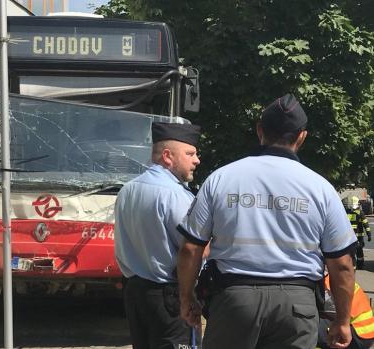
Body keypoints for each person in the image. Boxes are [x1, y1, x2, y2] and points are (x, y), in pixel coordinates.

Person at [177, 93, 357, 349]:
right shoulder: (321, 189)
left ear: (260, 130)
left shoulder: (221, 179)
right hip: (297, 308)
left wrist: (187, 299)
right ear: (302, 136)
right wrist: (342, 320)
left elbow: (190, 248)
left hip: (234, 302)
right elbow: (341, 264)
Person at [114, 121, 202, 349]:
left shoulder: (127, 190)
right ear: (167, 156)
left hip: (135, 293)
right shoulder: (175, 194)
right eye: (190, 153)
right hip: (170, 296)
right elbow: (192, 249)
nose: (196, 160)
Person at [317, 272, 374, 349]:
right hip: (366, 332)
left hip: (357, 334)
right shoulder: (336, 279)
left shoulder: (326, 286)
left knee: (307, 324)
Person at [343, 195, 371, 269]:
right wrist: (369, 234)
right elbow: (366, 224)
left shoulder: (346, 213)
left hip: (349, 236)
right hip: (359, 236)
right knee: (359, 251)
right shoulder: (360, 213)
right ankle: (360, 265)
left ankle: (352, 265)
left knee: (350, 251)